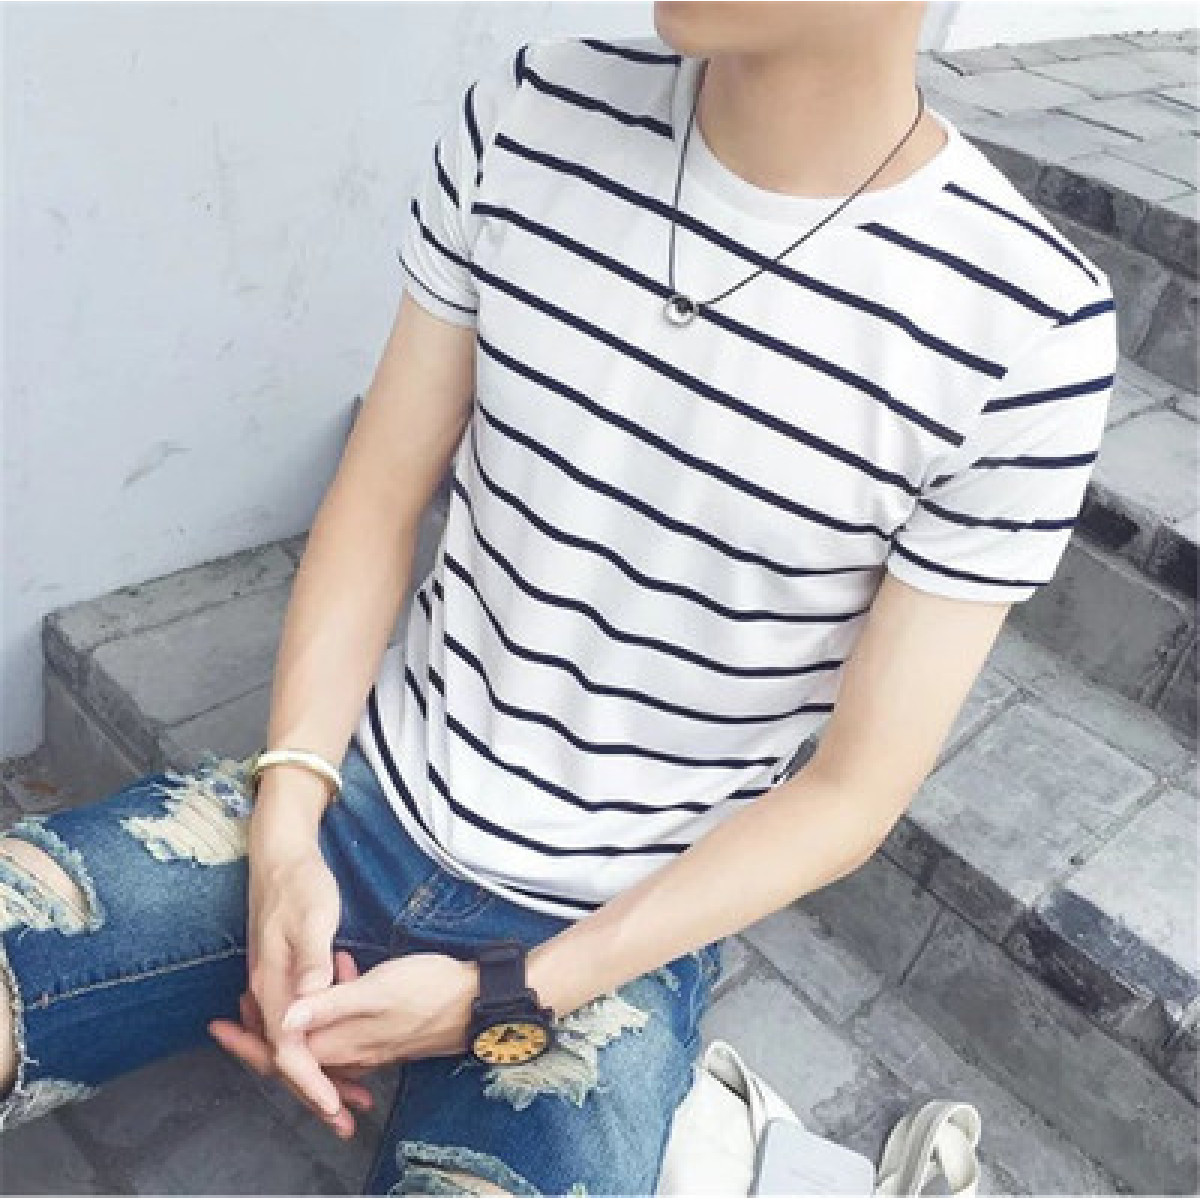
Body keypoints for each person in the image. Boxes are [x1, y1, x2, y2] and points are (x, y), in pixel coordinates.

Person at [0, 2, 1117, 1194]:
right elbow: (375, 502)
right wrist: (284, 831)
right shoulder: (532, 108)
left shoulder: (1027, 327)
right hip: (360, 801)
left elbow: (853, 792)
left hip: (611, 944)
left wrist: (506, 994)